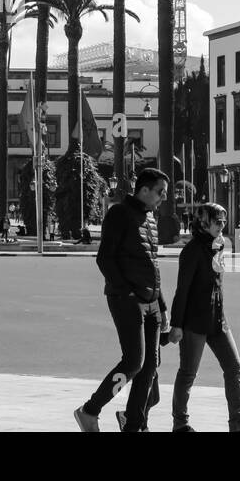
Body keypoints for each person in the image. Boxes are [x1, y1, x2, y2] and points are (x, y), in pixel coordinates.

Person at [74, 168, 169, 433]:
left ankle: (134, 425)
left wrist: (161, 305)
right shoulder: (119, 214)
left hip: (151, 303)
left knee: (150, 366)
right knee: (133, 363)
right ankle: (90, 410)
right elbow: (105, 258)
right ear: (144, 190)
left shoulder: (150, 218)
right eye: (160, 192)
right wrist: (128, 293)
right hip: (126, 300)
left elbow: (152, 265)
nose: (163, 198)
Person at [168, 202, 240, 432]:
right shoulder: (192, 251)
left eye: (223, 221)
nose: (222, 226)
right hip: (195, 322)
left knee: (234, 368)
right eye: (217, 221)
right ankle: (180, 424)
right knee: (188, 373)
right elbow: (183, 290)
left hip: (218, 320)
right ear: (203, 222)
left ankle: (238, 423)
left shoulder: (216, 247)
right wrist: (176, 325)